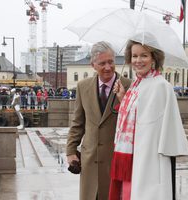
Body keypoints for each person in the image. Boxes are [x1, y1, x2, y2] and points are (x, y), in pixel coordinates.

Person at [109, 40, 188, 200]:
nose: (138, 60)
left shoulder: (161, 85)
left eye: (144, 55)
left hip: (150, 157)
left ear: (154, 58)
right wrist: (123, 97)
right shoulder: (136, 85)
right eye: (134, 56)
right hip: (132, 156)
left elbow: (161, 123)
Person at [66, 41, 131, 200]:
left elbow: (134, 123)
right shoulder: (83, 86)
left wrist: (123, 100)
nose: (108, 67)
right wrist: (71, 151)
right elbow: (77, 123)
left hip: (116, 161)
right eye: (102, 63)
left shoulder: (129, 86)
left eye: (111, 62)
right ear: (93, 65)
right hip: (89, 161)